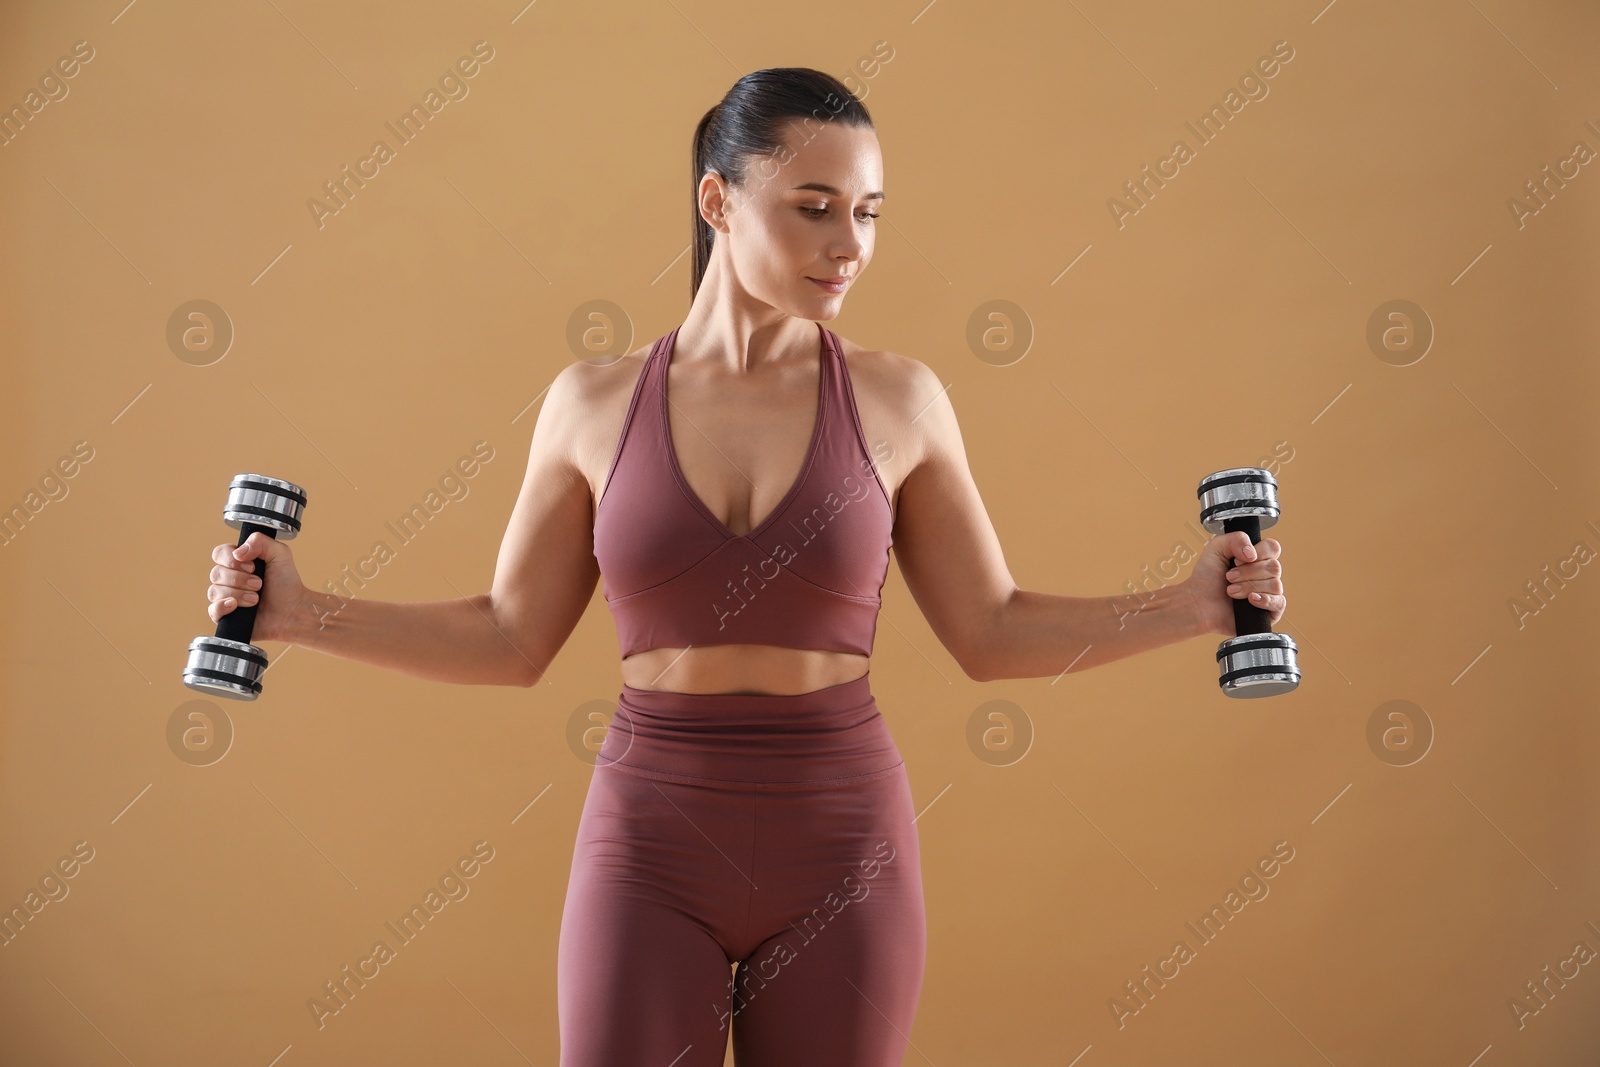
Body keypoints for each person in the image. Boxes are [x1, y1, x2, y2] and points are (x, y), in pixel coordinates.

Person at [203, 67, 1287, 1066]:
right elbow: (508, 636)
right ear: (717, 203)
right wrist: (300, 614)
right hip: (649, 835)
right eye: (812, 207)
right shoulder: (591, 400)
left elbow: (991, 629)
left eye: (866, 213)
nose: (848, 242)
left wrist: (1193, 603)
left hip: (841, 838)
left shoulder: (901, 398)